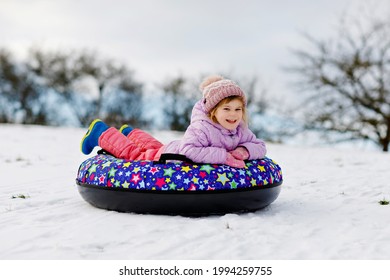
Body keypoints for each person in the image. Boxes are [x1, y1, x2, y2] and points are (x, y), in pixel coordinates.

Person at [80, 75, 266, 168]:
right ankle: (101, 133)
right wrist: (224, 157)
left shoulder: (240, 130)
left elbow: (259, 145)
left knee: (152, 147)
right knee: (136, 155)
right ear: (214, 112)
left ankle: (131, 134)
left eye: (238, 109)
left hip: (172, 148)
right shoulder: (202, 128)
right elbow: (189, 150)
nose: (233, 115)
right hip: (171, 156)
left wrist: (244, 151)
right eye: (226, 109)